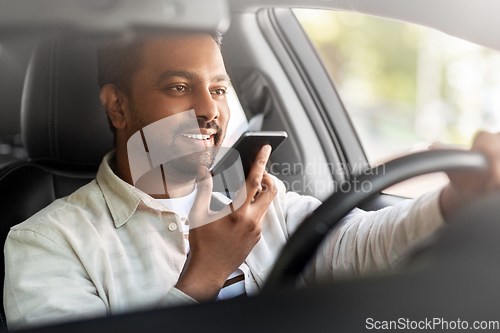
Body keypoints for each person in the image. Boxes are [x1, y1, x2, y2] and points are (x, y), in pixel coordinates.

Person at [4, 32, 500, 330]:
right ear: (117, 105)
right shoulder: (46, 243)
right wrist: (205, 273)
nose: (209, 110)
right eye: (179, 87)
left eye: (218, 88)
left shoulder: (260, 201)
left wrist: (454, 201)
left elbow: (360, 244)